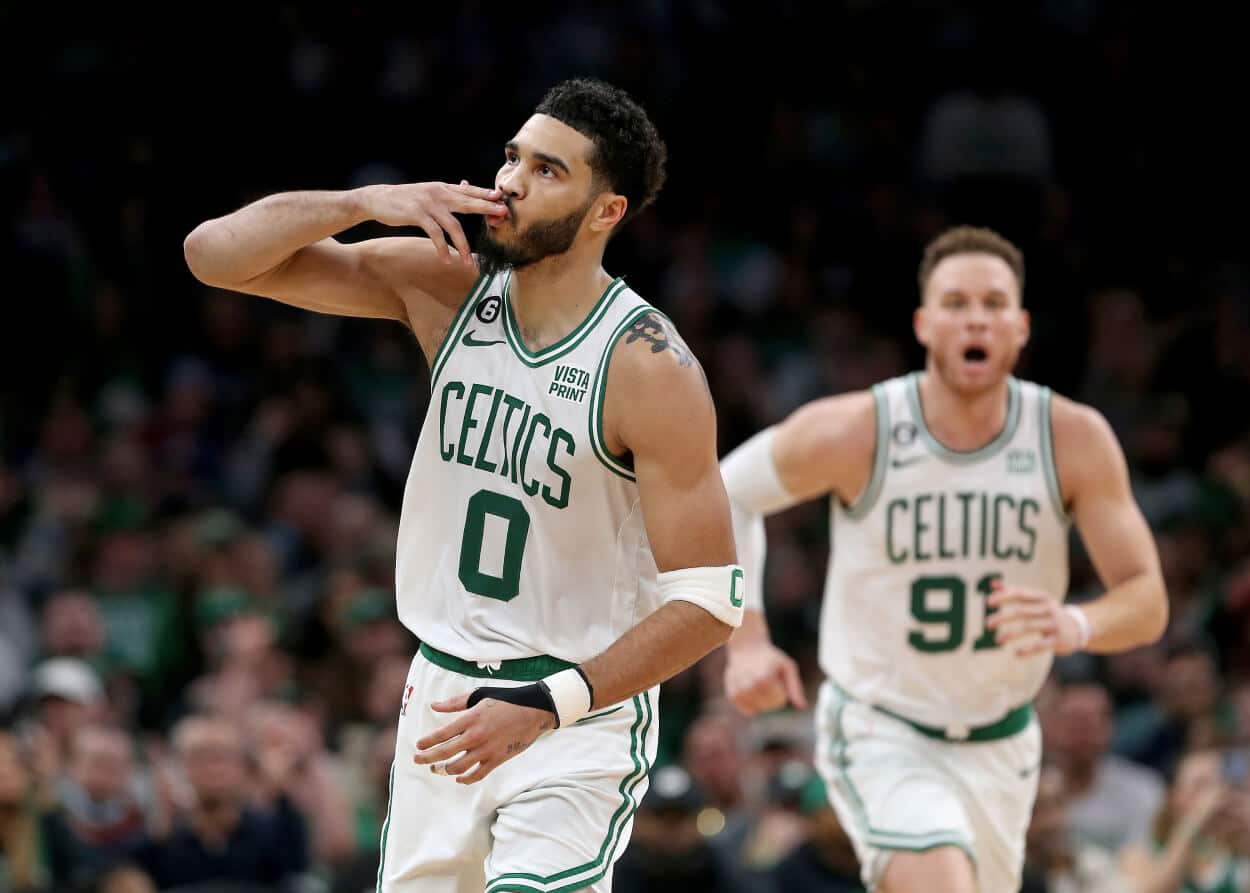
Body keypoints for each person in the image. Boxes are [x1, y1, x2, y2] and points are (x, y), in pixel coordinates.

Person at [183, 77, 742, 892]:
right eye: (512, 157)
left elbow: (710, 602)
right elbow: (213, 256)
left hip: (573, 708)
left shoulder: (648, 367)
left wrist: (549, 702)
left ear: (606, 213)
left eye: (548, 170)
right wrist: (366, 200)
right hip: (442, 691)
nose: (510, 180)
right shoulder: (447, 286)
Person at [720, 225, 1168, 893]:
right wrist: (747, 640)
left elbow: (1147, 601)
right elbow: (726, 493)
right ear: (925, 325)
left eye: (993, 303)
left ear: (1019, 326)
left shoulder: (1072, 439)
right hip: (879, 725)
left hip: (1004, 739)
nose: (975, 317)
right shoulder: (861, 429)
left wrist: (1074, 624)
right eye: (956, 303)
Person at [1121, 748, 1250, 893]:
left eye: (1218, 783)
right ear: (1174, 796)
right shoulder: (1142, 852)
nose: (1214, 794)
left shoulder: (1233, 853)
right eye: (1200, 785)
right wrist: (1193, 823)